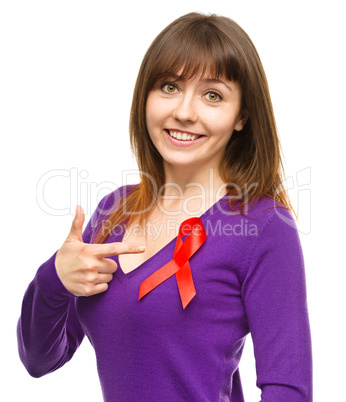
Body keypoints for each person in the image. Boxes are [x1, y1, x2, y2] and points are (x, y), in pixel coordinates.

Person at [17, 12, 313, 401]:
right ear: (146, 96)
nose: (185, 112)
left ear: (242, 115)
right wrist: (54, 277)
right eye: (170, 86)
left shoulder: (264, 225)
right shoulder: (113, 211)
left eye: (213, 95)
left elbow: (288, 389)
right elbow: (41, 359)